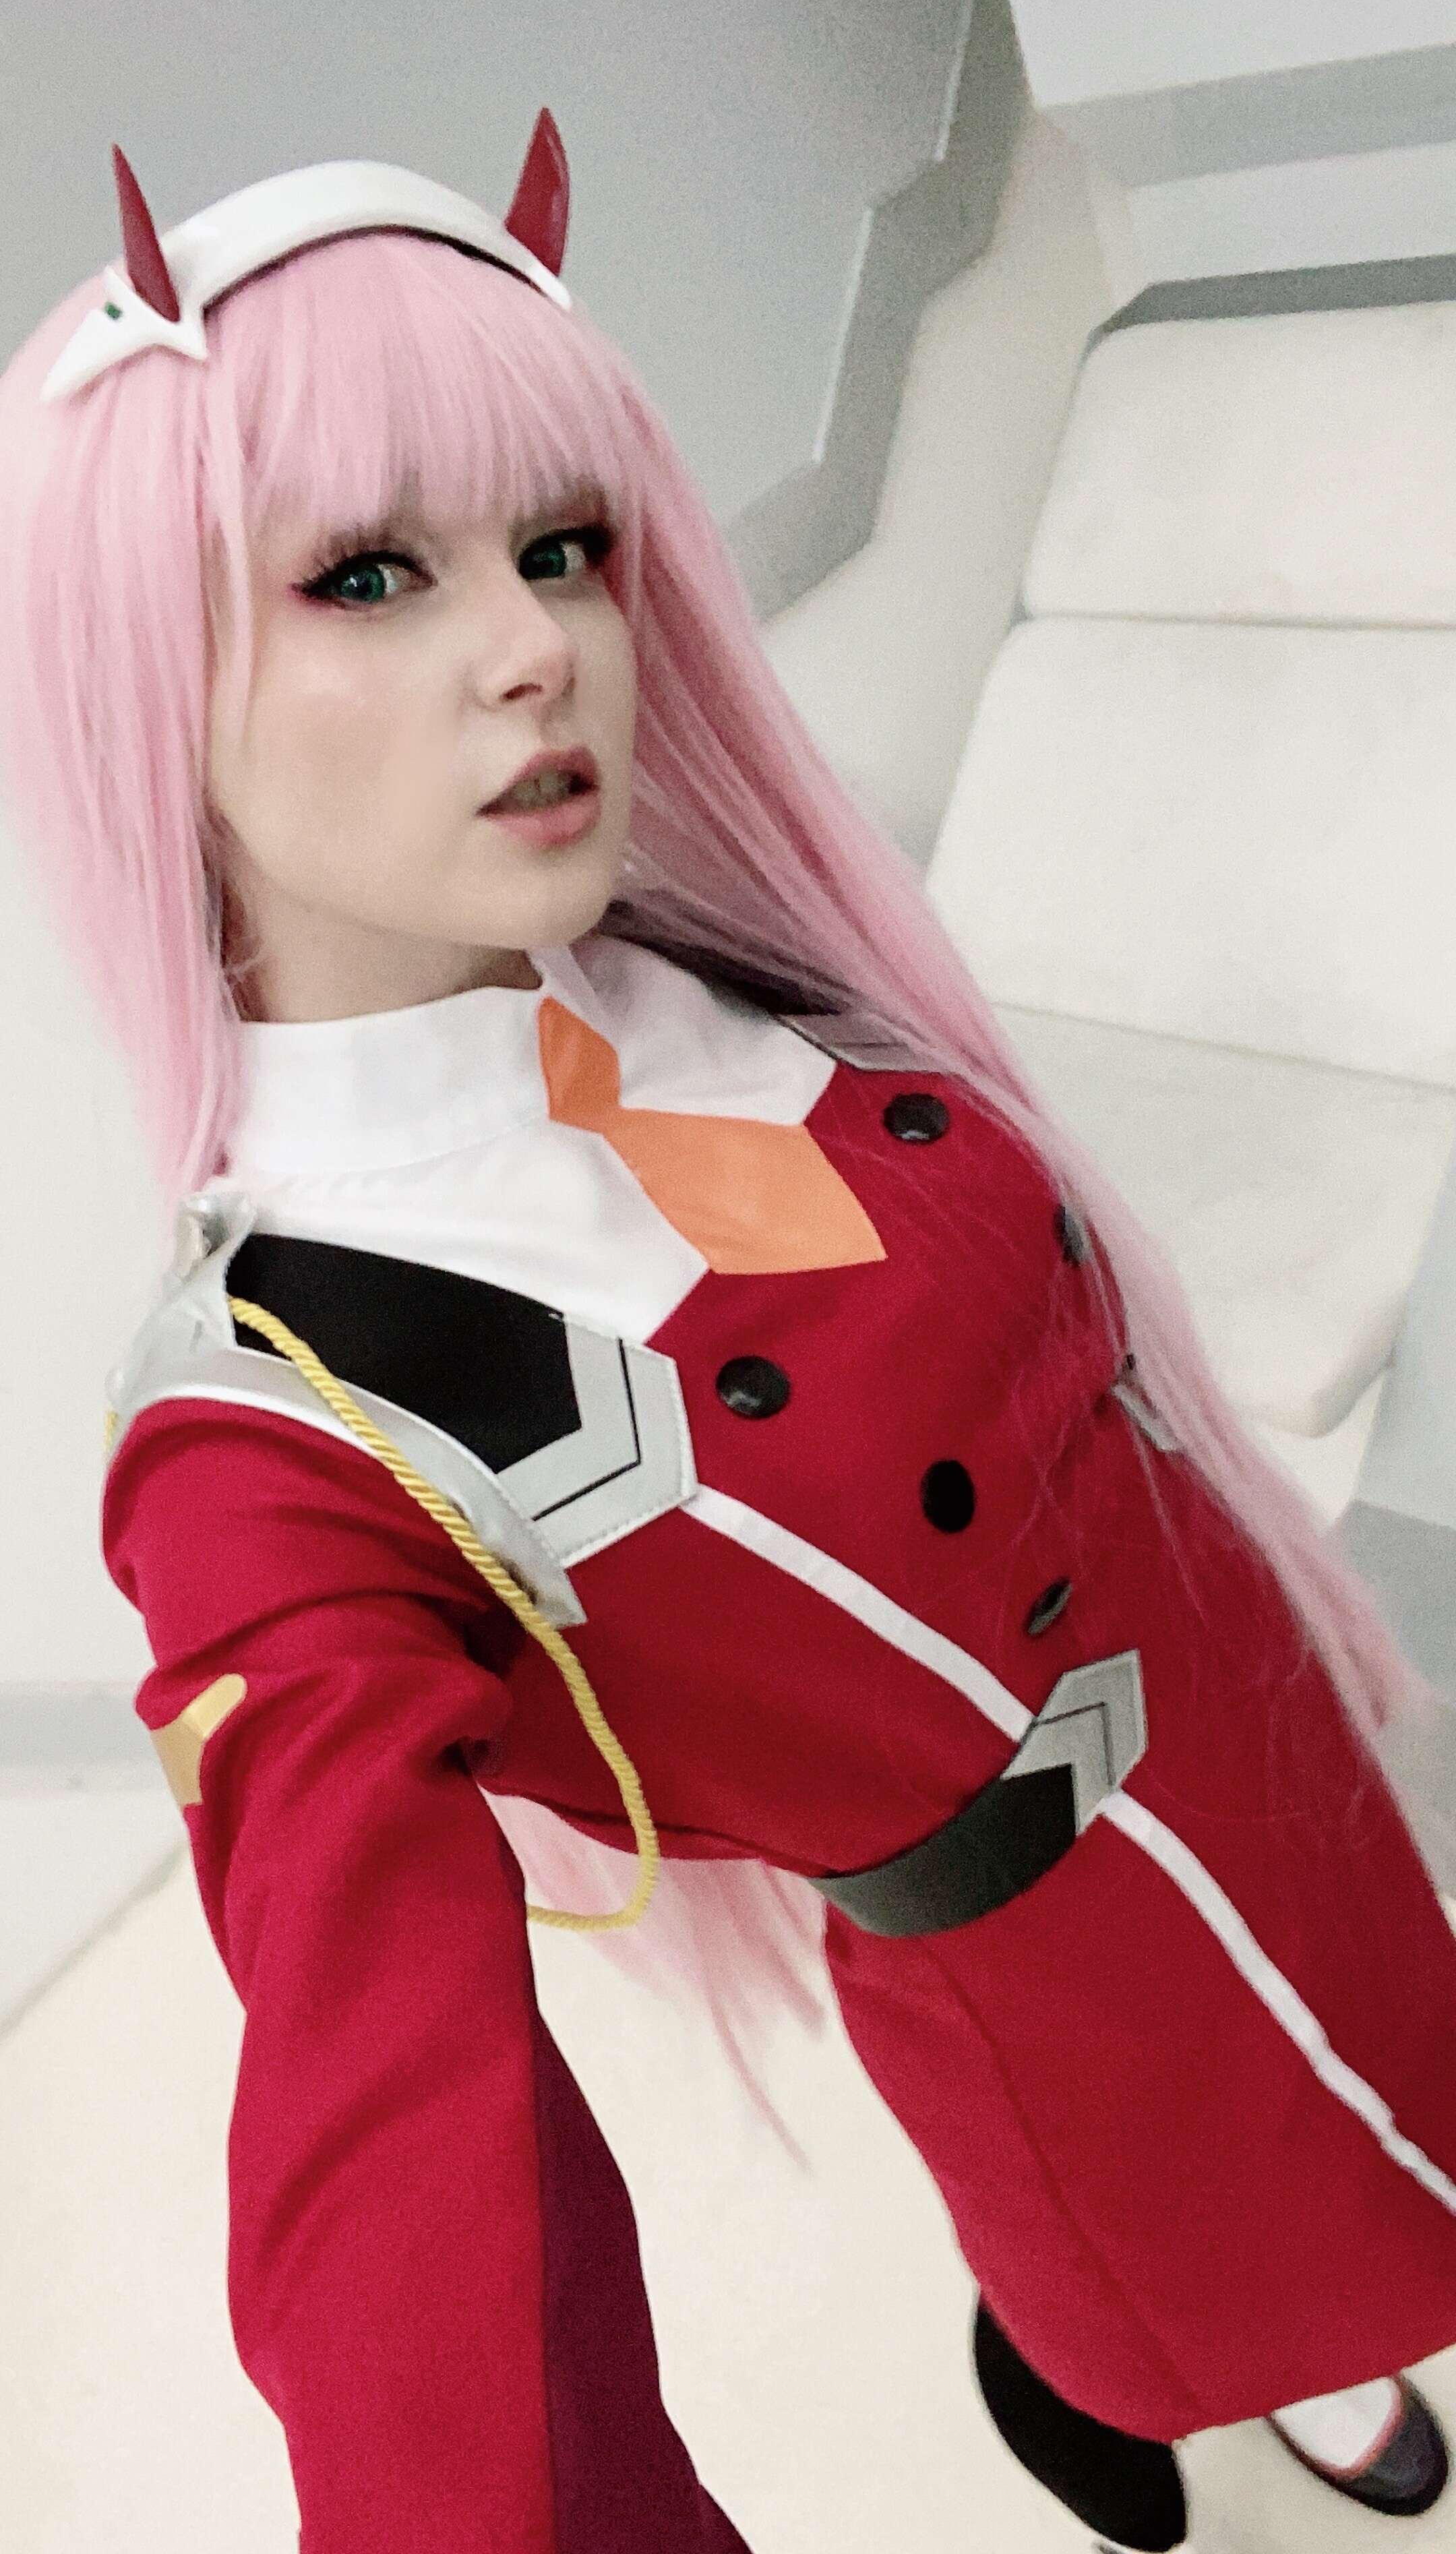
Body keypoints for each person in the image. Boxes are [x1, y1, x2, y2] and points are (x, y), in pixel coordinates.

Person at [1, 125, 1454, 2554]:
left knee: (1395, 2059)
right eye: (367, 572)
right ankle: (1156, 2356)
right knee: (1206, 2239)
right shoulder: (279, 1439)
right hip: (1038, 1936)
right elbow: (395, 2164)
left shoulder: (712, 971)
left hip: (1249, 1711)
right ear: (144, 676)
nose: (535, 645)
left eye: (563, 543)